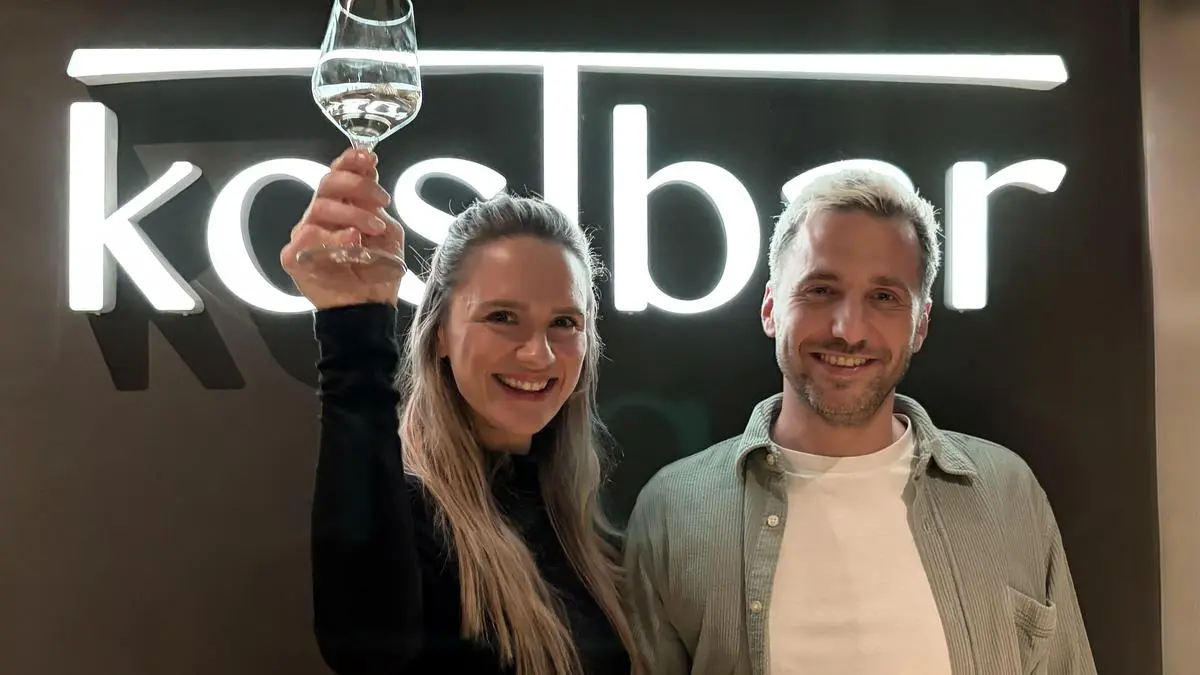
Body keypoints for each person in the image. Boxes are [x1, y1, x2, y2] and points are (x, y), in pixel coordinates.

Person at [623, 168, 1097, 675]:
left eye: (884, 297)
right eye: (821, 290)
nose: (849, 330)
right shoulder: (674, 509)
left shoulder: (1007, 491)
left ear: (920, 324)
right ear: (770, 308)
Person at [282, 148, 639, 675]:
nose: (538, 354)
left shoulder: (583, 532)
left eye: (564, 322)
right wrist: (351, 326)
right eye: (502, 317)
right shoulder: (410, 517)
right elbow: (364, 650)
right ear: (440, 334)